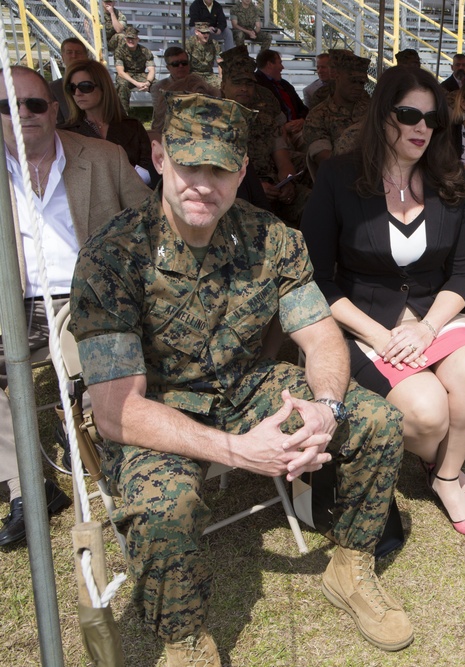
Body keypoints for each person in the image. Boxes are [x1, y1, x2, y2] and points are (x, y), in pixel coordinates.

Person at [69, 92, 412, 659]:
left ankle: (351, 567)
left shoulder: (270, 239)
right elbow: (115, 411)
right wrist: (237, 451)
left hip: (243, 387)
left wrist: (326, 405)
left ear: (242, 170)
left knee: (375, 419)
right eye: (189, 165)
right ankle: (186, 639)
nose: (204, 183)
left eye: (221, 168)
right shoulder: (115, 257)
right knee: (163, 504)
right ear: (158, 158)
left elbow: (321, 335)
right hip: (158, 406)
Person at [302, 66, 465, 540]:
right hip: (363, 323)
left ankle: (447, 476)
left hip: (433, 316)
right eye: (409, 115)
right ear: (382, 114)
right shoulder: (338, 178)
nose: (421, 128)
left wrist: (427, 328)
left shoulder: (450, 180)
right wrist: (380, 336)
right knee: (428, 414)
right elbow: (315, 280)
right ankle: (436, 456)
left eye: (432, 120)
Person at [0, 66, 148, 547]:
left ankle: (113, 463)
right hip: (14, 300)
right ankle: (27, 490)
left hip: (91, 295)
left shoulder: (102, 157)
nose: (23, 115)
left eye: (34, 104)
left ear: (56, 108)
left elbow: (150, 220)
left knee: (101, 377)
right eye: (8, 106)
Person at [221, 45, 311, 225]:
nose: (244, 89)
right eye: (237, 83)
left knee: (315, 203)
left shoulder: (266, 122)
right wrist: (257, 189)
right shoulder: (212, 123)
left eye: (249, 84)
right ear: (224, 87)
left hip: (274, 188)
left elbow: (283, 161)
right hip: (235, 193)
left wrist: (287, 182)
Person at [62, 60, 156, 186]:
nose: (78, 93)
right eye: (72, 88)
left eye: (85, 86)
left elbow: (149, 167)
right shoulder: (66, 134)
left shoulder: (133, 127)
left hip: (134, 198)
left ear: (103, 87)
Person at [303, 52, 370, 176]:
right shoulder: (318, 116)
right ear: (337, 77)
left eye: (361, 83)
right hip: (342, 180)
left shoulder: (371, 110)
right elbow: (326, 161)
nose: (357, 87)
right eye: (352, 81)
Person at [149, 46, 219, 140]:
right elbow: (162, 115)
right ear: (168, 67)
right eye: (175, 64)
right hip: (168, 131)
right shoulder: (158, 88)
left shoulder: (199, 83)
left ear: (189, 65)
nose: (181, 66)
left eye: (184, 63)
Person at [255, 49, 308, 124]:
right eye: (280, 63)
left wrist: (301, 120)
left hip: (297, 128)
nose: (282, 67)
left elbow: (303, 108)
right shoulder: (255, 85)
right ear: (270, 65)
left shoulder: (285, 85)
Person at [113, 26, 156, 115]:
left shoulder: (145, 51)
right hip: (126, 75)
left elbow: (151, 70)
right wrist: (137, 84)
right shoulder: (119, 51)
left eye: (133, 38)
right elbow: (120, 72)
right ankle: (123, 115)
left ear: (137, 39)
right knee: (122, 85)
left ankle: (161, 114)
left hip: (140, 75)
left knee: (158, 85)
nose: (131, 41)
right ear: (125, 39)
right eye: (129, 38)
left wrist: (148, 82)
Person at [50, 37, 89, 124]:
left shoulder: (99, 82)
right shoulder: (54, 88)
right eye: (69, 52)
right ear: (63, 57)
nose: (74, 56)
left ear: (86, 56)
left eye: (78, 53)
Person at [188, 22, 221, 89]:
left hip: (209, 75)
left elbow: (220, 61)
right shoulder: (190, 43)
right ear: (197, 32)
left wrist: (221, 76)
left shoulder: (214, 44)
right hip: (194, 75)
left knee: (222, 86)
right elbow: (185, 61)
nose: (206, 35)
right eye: (203, 33)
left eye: (207, 33)